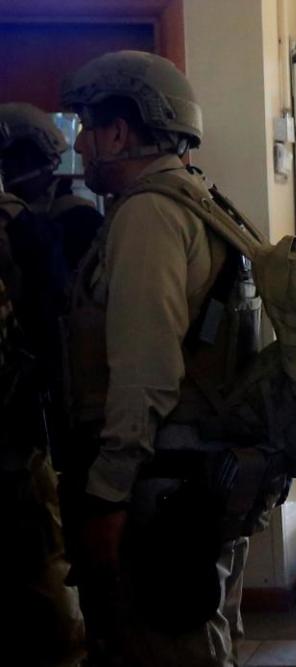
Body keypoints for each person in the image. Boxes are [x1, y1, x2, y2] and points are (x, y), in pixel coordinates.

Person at [59, 50, 269, 666]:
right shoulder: (203, 201)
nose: (81, 141)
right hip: (202, 479)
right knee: (205, 639)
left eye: (88, 126)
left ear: (120, 131)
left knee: (165, 648)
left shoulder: (149, 214)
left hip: (162, 490)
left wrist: (107, 494)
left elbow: (146, 372)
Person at [0, 103, 96, 667]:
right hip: (35, 421)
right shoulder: (54, 221)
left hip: (32, 419)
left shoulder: (47, 224)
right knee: (47, 562)